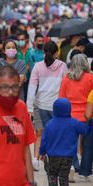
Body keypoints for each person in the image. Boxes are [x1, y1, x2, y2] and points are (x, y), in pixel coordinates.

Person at [40, 98, 92, 186]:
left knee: (52, 174)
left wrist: (42, 152)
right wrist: (91, 121)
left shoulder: (50, 124)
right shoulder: (73, 122)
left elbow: (44, 139)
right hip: (68, 156)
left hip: (52, 155)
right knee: (64, 178)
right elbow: (85, 130)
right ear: (69, 109)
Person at [59, 54, 93, 181]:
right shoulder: (91, 78)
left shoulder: (66, 78)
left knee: (70, 144)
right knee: (88, 145)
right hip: (88, 116)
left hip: (70, 116)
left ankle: (71, 166)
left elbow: (61, 98)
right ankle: (84, 173)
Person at [27, 41, 67, 170]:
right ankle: (56, 160)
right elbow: (66, 86)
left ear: (44, 52)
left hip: (40, 105)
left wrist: (29, 107)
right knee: (57, 134)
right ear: (56, 52)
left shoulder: (37, 66)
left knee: (39, 133)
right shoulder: (62, 66)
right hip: (57, 106)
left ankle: (36, 160)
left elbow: (32, 87)